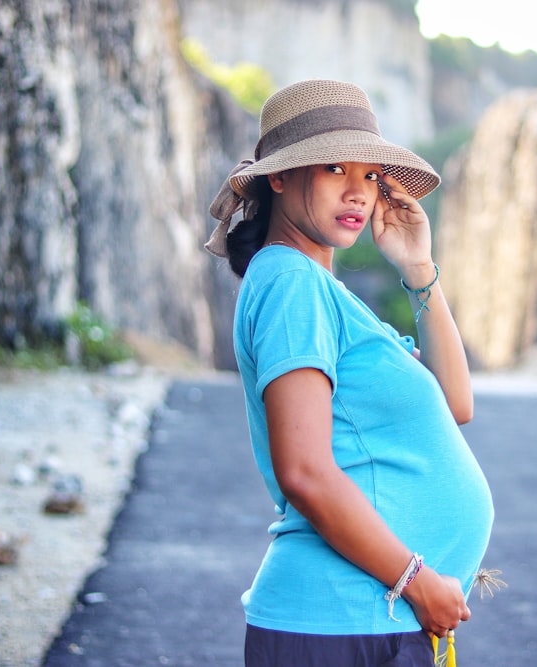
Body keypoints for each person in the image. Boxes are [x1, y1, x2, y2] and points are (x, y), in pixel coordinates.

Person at [206, 79, 494, 666]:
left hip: (364, 621)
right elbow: (304, 470)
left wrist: (418, 267)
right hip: (345, 623)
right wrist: (416, 580)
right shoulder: (291, 282)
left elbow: (455, 404)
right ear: (279, 177)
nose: (358, 192)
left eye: (370, 175)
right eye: (335, 167)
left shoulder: (322, 291)